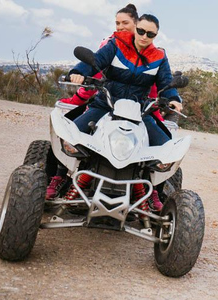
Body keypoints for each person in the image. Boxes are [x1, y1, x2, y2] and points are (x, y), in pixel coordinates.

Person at [46, 14, 181, 212]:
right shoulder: (117, 44)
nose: (144, 36)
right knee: (68, 133)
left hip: (139, 110)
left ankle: (153, 190)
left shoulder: (159, 57)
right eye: (141, 31)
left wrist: (174, 99)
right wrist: (78, 72)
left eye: (150, 34)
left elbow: (166, 82)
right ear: (136, 29)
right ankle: (59, 177)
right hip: (106, 103)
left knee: (165, 148)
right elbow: (95, 61)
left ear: (156, 35)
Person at [59, 4, 139, 107]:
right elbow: (96, 64)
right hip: (108, 98)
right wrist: (77, 73)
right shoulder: (110, 44)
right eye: (117, 23)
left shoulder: (147, 48)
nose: (120, 27)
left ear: (136, 24)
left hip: (137, 104)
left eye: (125, 23)